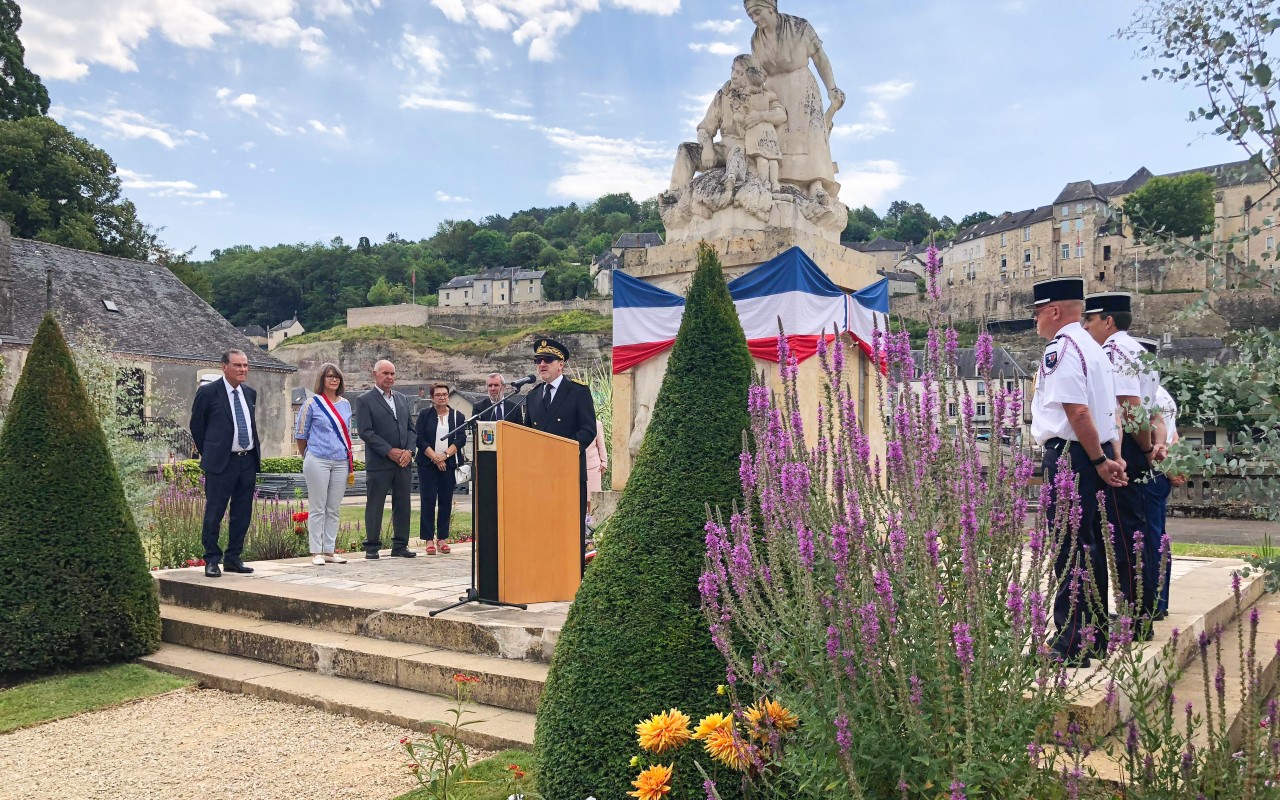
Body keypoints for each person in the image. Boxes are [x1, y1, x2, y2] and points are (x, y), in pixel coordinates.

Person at [1030, 278, 1126, 667]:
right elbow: (1110, 412)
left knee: (1070, 549)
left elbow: (1078, 411)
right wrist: (1111, 455)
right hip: (1094, 451)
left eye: (1037, 312)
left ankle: (1070, 644)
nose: (1035, 320)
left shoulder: (1063, 347)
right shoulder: (1095, 347)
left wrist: (1102, 461)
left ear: (1054, 310)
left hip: (1071, 454)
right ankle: (1095, 636)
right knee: (1090, 546)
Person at [1083, 293, 1159, 633]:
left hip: (1124, 445)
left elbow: (1129, 407)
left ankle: (1135, 617)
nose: (1086, 326)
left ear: (1108, 321)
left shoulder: (1114, 352)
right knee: (1134, 529)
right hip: (1133, 444)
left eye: (1091, 319)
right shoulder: (1139, 350)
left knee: (1124, 534)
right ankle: (1141, 611)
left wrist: (1141, 450)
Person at [744, 0, 845, 200]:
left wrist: (831, 88)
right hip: (774, 90)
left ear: (771, 8)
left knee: (810, 135)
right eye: (750, 16)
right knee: (778, 138)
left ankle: (816, 184)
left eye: (757, 12)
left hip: (801, 86)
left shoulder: (799, 27)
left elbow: (820, 58)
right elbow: (756, 74)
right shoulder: (755, 40)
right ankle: (778, 182)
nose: (755, 19)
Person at [189, 349, 261, 578]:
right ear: (224, 367)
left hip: (247, 461)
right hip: (221, 463)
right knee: (215, 513)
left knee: (242, 512)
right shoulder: (209, 393)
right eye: (238, 365)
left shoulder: (250, 393)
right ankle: (211, 559)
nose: (243, 370)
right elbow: (197, 426)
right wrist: (211, 451)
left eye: (245, 365)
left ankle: (233, 558)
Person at [521, 338, 598, 547]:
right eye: (538, 360)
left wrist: (562, 450)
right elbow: (527, 434)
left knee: (568, 533)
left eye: (548, 359)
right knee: (542, 531)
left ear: (561, 364)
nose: (542, 365)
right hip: (540, 474)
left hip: (568, 471)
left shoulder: (578, 391)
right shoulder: (532, 396)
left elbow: (588, 430)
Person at [354, 359, 416, 559]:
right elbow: (366, 432)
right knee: (375, 505)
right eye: (385, 373)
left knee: (403, 504)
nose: (389, 377)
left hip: (403, 463)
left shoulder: (402, 399)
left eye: (392, 374)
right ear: (375, 375)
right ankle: (372, 547)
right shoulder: (365, 400)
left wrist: (409, 451)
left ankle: (400, 546)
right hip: (380, 463)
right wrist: (389, 451)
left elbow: (411, 429)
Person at [669, 54, 757, 192]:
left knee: (738, 153)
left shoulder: (759, 96)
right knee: (685, 150)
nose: (733, 76)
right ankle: (676, 196)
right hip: (723, 150)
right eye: (732, 70)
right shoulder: (723, 95)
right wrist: (707, 147)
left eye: (739, 73)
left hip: (747, 152)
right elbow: (704, 129)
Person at [295, 363, 353, 566]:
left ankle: (329, 549)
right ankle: (315, 551)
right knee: (318, 506)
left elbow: (348, 432)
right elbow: (301, 434)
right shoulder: (311, 404)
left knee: (333, 508)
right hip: (318, 458)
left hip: (340, 460)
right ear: (322, 379)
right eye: (329, 376)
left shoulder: (346, 404)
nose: (334, 380)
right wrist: (308, 456)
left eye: (337, 377)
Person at [1138, 336, 1179, 619]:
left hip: (1149, 473)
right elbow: (1174, 437)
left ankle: (1152, 603)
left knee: (1149, 538)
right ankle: (1159, 602)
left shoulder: (1150, 397)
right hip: (1160, 473)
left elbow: (1158, 434)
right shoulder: (1164, 395)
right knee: (1157, 537)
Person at [416, 383, 466, 555]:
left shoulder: (457, 416)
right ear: (432, 398)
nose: (442, 397)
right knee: (428, 500)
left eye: (445, 394)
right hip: (427, 464)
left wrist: (444, 456)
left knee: (445, 501)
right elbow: (420, 439)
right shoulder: (424, 415)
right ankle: (429, 539)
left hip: (449, 463)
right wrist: (435, 458)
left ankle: (442, 538)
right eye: (438, 395)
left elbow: (460, 439)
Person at [741, 64, 785, 191]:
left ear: (746, 81)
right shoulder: (767, 95)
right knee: (773, 160)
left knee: (762, 158)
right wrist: (763, 88)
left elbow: (739, 115)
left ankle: (765, 182)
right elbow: (774, 96)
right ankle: (775, 183)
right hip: (769, 130)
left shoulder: (746, 97)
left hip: (755, 130)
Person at [585, 419, 608, 519]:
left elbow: (601, 445)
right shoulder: (572, 421)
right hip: (576, 466)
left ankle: (592, 526)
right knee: (580, 498)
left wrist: (604, 462)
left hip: (593, 467)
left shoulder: (597, 424)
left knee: (592, 499)